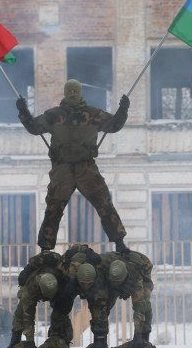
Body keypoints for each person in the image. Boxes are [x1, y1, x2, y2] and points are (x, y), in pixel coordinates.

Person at [16, 79, 130, 253]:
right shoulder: (53, 115)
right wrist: (23, 111)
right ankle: (45, 249)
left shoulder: (93, 114)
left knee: (104, 203)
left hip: (86, 168)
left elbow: (114, 125)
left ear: (81, 93)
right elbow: (34, 128)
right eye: (69, 90)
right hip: (62, 169)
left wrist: (123, 110)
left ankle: (120, 242)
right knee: (53, 208)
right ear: (64, 92)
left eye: (75, 90)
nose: (72, 94)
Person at [9, 251, 77, 348]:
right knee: (20, 312)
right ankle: (14, 341)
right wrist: (30, 341)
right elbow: (28, 316)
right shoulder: (31, 288)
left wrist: (71, 284)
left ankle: (61, 340)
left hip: (58, 290)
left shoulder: (61, 271)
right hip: (34, 287)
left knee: (61, 312)